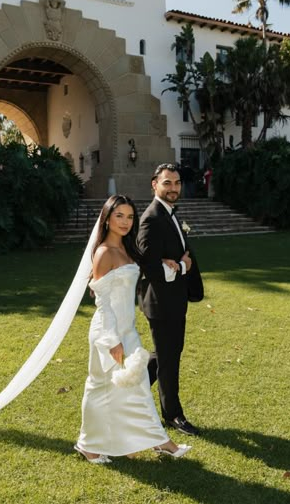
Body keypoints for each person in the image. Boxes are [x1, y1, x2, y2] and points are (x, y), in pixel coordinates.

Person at [75, 195, 191, 463]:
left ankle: (152, 441)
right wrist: (112, 340)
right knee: (99, 387)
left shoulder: (127, 249)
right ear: (107, 218)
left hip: (127, 329)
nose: (126, 222)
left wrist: (171, 264)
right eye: (119, 216)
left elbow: (138, 274)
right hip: (109, 331)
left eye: (130, 217)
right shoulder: (104, 252)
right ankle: (90, 445)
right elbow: (102, 303)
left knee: (134, 386)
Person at [137, 164, 204, 437]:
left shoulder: (171, 214)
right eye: (167, 183)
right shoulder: (151, 218)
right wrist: (182, 265)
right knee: (169, 358)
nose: (173, 188)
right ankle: (173, 414)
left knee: (165, 354)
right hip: (161, 302)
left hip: (175, 299)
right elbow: (149, 267)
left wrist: (180, 266)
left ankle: (126, 392)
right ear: (155, 184)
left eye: (176, 183)